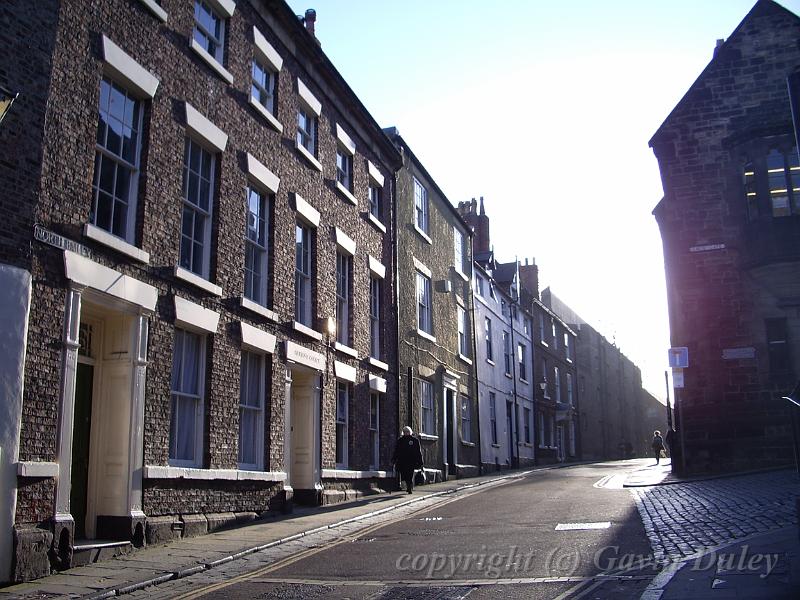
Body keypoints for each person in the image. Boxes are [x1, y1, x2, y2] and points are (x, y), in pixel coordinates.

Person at [392, 426, 423, 494]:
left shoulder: (414, 440)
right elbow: (396, 451)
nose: (406, 433)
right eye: (405, 432)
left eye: (407, 431)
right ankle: (408, 485)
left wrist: (420, 461)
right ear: (403, 432)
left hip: (411, 461)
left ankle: (409, 487)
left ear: (410, 432)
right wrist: (394, 459)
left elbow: (418, 452)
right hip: (402, 461)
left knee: (410, 474)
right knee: (404, 474)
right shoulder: (400, 440)